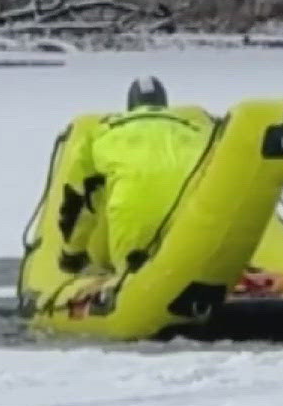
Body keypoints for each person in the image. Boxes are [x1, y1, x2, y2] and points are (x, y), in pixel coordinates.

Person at [56, 77, 209, 276]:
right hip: (192, 229)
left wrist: (72, 253)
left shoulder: (101, 135)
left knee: (133, 271)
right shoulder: (200, 133)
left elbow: (80, 199)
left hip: (133, 233)